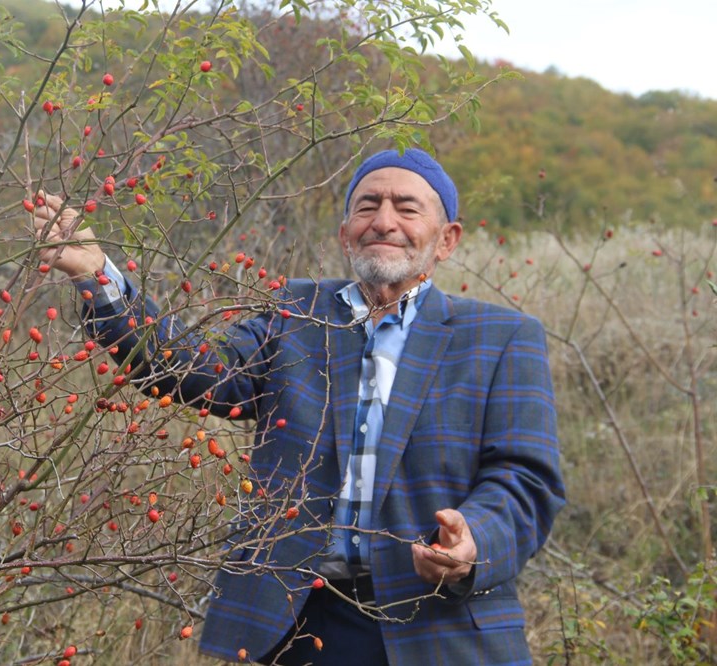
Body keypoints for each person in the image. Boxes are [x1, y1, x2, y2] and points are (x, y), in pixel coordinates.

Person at [33, 148, 566, 665]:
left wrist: (475, 541)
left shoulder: (500, 337)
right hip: (301, 623)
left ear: (447, 239)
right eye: (367, 206)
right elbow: (191, 367)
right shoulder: (296, 313)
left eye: (406, 208)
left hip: (438, 627)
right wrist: (96, 272)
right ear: (344, 233)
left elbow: (525, 479)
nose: (383, 221)